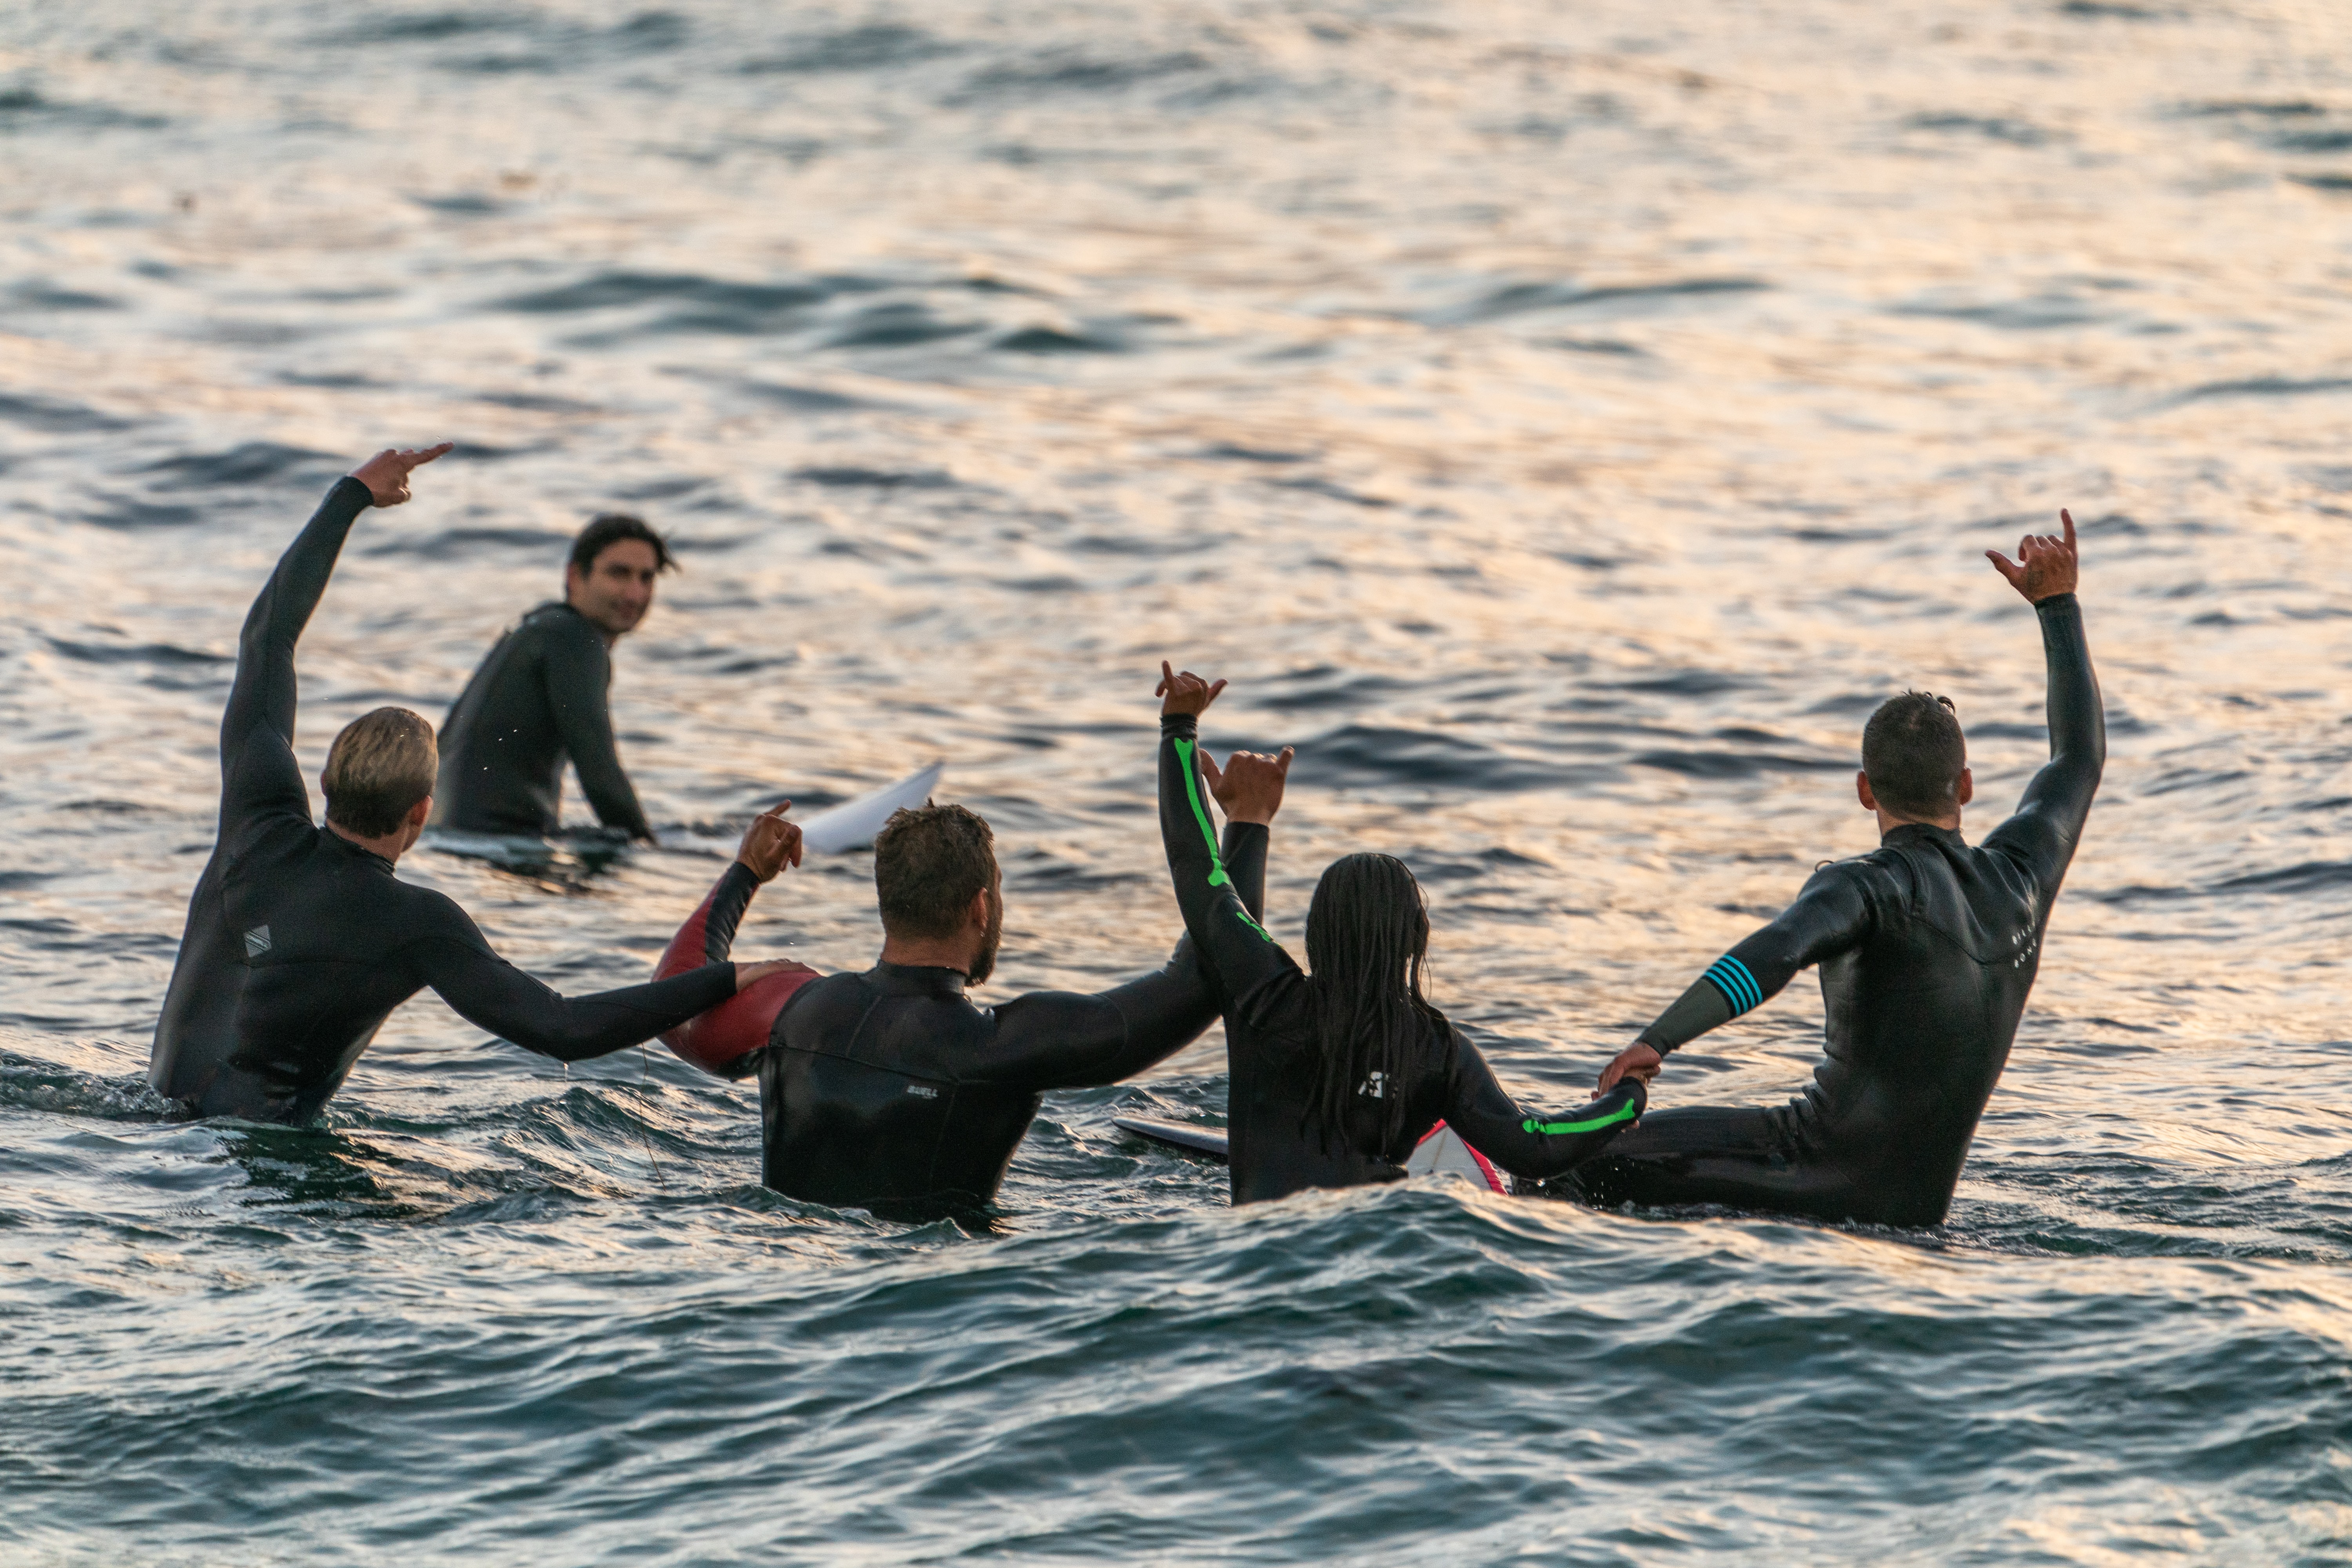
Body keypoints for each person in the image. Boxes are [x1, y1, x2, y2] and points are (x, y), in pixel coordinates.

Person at [147, 447, 799, 1124]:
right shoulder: (418, 924)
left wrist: (351, 496)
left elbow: (267, 639)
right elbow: (563, 1028)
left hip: (153, 1127)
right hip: (259, 1161)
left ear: (324, 780)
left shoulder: (256, 822)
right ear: (421, 814)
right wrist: (726, 976)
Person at [1571, 512, 2103, 1228]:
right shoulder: (2021, 880)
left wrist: (1658, 1038)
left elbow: (1776, 951)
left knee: (1581, 1163)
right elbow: (2078, 760)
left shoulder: (1864, 886)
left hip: (1810, 1172)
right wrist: (2058, 606)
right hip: (1917, 1214)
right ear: (1967, 786)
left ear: (1865, 791)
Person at [1154, 662, 1648, 1205]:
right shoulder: (1438, 1050)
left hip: (1265, 1246)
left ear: (1316, 933)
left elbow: (1196, 866)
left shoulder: (1266, 998)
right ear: (1416, 941)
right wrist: (1627, 1098)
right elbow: (1537, 1147)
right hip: (1390, 1241)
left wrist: (1179, 730)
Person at [645, 793, 1268, 1215]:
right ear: (980, 907)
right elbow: (1205, 979)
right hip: (939, 1326)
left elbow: (674, 996)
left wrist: (746, 873)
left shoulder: (794, 1007)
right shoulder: (1001, 1047)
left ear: (887, 903)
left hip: (785, 1279)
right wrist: (1247, 821)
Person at [430, 512, 674, 841]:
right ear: (575, 576)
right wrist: (651, 850)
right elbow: (600, 775)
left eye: (646, 579)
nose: (635, 594)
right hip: (495, 842)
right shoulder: (573, 637)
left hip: (449, 835)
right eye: (619, 574)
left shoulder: (539, 628)